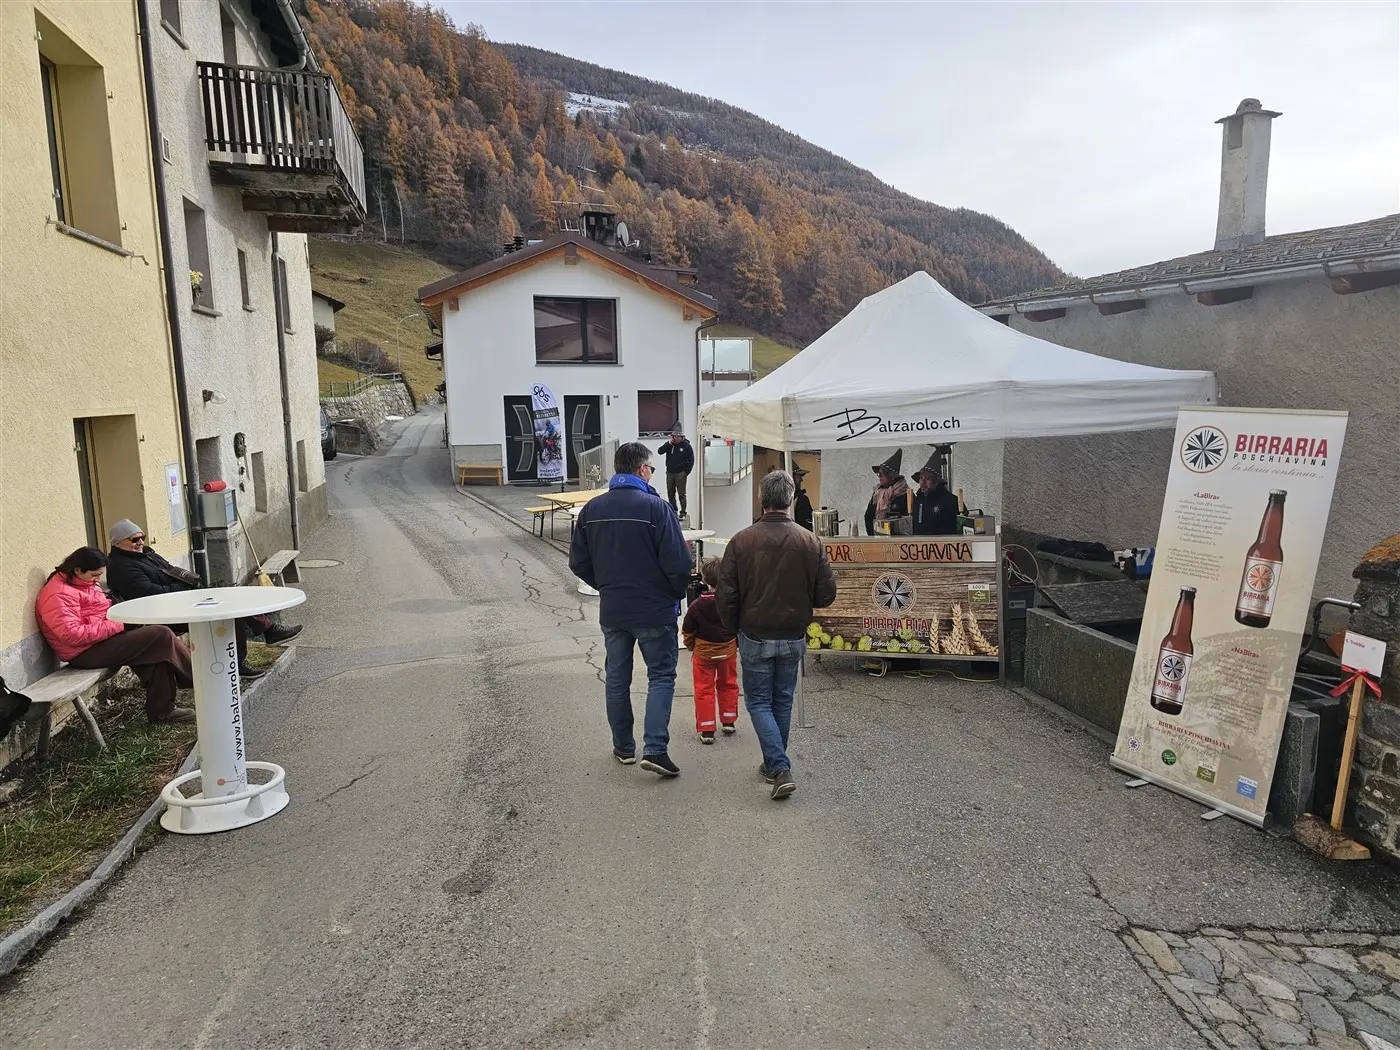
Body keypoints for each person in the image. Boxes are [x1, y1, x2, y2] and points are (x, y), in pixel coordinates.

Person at [570, 442, 694, 777]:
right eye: (652, 469)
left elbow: (578, 562)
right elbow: (679, 562)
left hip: (614, 610)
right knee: (662, 676)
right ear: (642, 470)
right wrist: (675, 593)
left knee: (617, 678)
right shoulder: (657, 509)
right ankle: (655, 749)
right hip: (654, 610)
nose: (652, 474)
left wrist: (606, 586)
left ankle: (623, 747)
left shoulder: (591, 510)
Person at [716, 470, 837, 800]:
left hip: (754, 633)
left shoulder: (741, 541)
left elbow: (725, 593)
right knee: (781, 700)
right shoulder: (810, 541)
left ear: (761, 499)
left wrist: (731, 629)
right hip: (793, 633)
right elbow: (826, 595)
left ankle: (779, 766)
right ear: (791, 499)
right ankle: (774, 765)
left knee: (758, 701)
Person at [104, 519, 302, 681]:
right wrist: (182, 587)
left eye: (142, 537)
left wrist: (187, 582)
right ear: (118, 542)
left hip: (180, 601)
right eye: (134, 539)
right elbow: (149, 594)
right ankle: (242, 659)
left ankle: (267, 632)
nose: (140, 543)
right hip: (163, 612)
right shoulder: (122, 567)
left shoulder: (145, 554)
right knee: (228, 612)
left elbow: (170, 570)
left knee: (231, 598)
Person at [35, 547, 195, 724]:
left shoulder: (82, 582)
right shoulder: (57, 594)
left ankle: (163, 711)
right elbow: (71, 635)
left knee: (157, 649)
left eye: (100, 575)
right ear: (77, 569)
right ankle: (200, 678)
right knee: (160, 635)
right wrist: (119, 625)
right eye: (95, 575)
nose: (97, 580)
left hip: (102, 641)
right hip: (84, 653)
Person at [682, 557, 738, 743]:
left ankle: (706, 729)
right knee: (728, 684)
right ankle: (729, 720)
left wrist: (692, 646)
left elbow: (688, 630)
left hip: (704, 653)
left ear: (705, 580)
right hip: (727, 650)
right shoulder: (733, 602)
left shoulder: (696, 605)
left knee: (704, 689)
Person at [911, 450, 960, 536]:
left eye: (927, 479)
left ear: (937, 481)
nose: (923, 482)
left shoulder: (951, 501)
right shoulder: (917, 500)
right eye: (921, 478)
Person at [864, 450, 910, 535]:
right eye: (878, 474)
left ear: (892, 477)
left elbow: (908, 521)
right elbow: (868, 516)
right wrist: (872, 536)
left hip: (899, 541)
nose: (879, 476)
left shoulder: (905, 494)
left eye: (882, 474)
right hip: (878, 538)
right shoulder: (877, 494)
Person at [656, 425, 695, 519]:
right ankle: (673, 510)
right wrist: (668, 444)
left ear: (681, 437)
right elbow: (660, 451)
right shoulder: (669, 445)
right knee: (670, 492)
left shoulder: (686, 446)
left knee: (681, 494)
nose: (676, 438)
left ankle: (683, 512)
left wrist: (686, 472)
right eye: (674, 436)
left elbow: (691, 459)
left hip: (680, 473)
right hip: (670, 473)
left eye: (678, 436)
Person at [792, 466, 815, 531]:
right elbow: (809, 525)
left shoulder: (773, 500)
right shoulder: (802, 500)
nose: (801, 479)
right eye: (799, 476)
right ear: (791, 478)